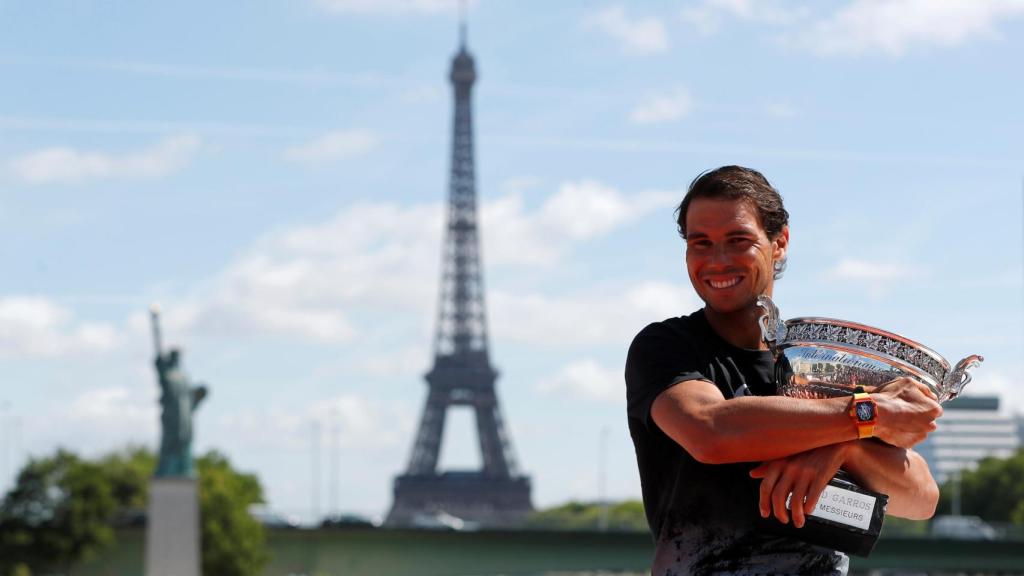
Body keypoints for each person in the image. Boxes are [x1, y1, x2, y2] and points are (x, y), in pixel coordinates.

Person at [625, 166, 941, 575]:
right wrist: (868, 414)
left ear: (780, 243)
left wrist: (844, 446)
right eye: (700, 243)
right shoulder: (667, 347)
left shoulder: (824, 365)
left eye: (738, 240)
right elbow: (709, 430)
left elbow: (922, 499)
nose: (717, 261)